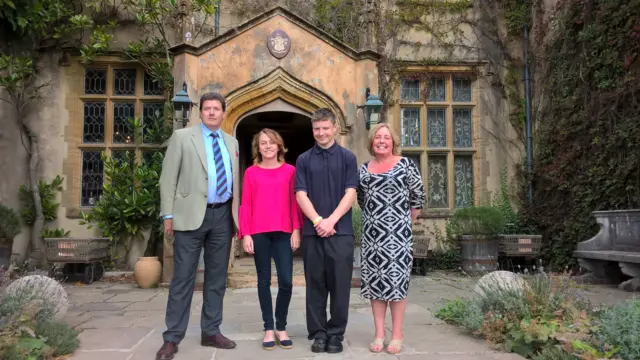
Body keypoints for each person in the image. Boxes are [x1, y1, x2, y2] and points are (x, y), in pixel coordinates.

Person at [157, 92, 240, 360]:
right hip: (190, 216)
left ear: (223, 113)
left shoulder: (232, 142)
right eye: (207, 109)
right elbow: (167, 178)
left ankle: (211, 331)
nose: (212, 112)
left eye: (217, 108)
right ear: (200, 112)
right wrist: (167, 215)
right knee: (183, 278)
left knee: (217, 279)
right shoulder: (183, 138)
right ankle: (172, 338)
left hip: (222, 217)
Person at [356, 123, 426, 355]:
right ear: (372, 142)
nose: (382, 141)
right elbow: (361, 199)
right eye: (378, 137)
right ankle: (379, 333)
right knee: (376, 285)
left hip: (398, 236)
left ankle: (397, 334)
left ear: (393, 141)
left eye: (386, 137)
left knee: (396, 285)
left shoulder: (405, 164)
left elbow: (417, 198)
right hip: (372, 237)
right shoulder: (364, 169)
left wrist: (401, 224)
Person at [294, 108, 359, 354]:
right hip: (313, 233)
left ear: (334, 128)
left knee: (340, 286)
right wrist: (318, 220)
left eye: (325, 128)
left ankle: (336, 334)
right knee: (315, 285)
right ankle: (318, 334)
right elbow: (301, 194)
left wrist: (331, 221)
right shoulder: (303, 159)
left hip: (340, 232)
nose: (321, 133)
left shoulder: (347, 158)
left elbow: (350, 192)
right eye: (316, 129)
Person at [238, 128, 302, 350]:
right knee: (263, 281)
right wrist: (246, 233)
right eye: (263, 143)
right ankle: (268, 328)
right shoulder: (251, 173)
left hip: (284, 231)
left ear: (279, 146)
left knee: (286, 281)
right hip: (259, 232)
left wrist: (296, 229)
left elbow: (295, 203)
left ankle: (281, 326)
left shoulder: (290, 171)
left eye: (271, 143)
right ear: (258, 147)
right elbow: (246, 203)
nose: (267, 146)